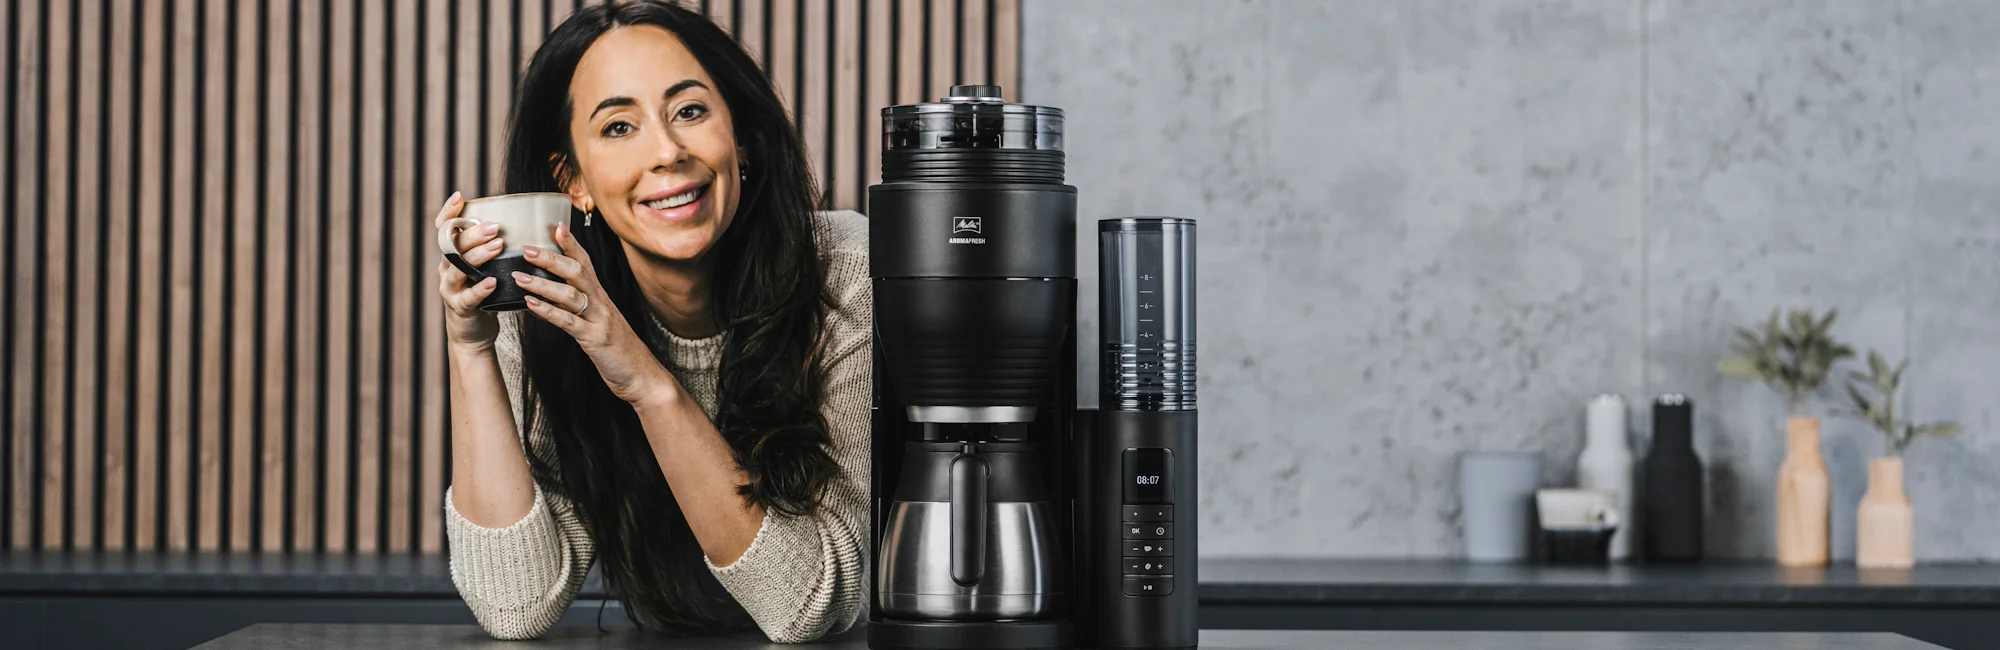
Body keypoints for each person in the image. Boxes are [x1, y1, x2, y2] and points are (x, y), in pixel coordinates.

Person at [431, 1, 868, 641]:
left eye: (690, 112)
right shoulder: (546, 301)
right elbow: (515, 605)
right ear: (573, 182)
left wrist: (642, 377)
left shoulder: (846, 274)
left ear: (739, 140)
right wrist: (470, 348)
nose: (666, 152)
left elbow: (809, 606)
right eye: (618, 127)